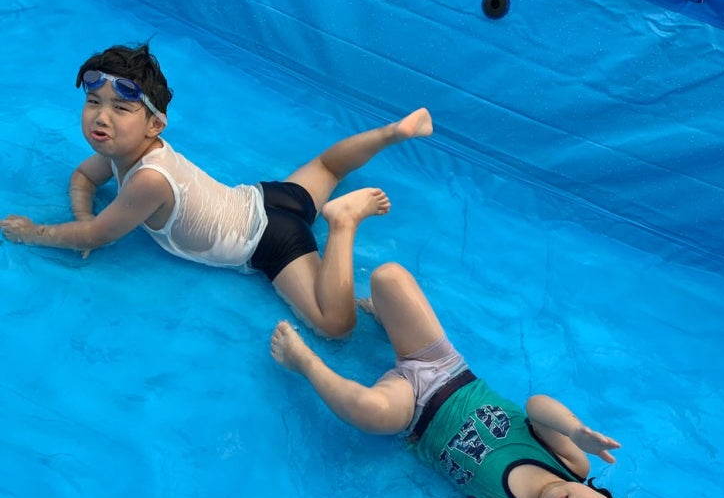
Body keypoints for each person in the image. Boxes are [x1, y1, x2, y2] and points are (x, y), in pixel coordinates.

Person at [0, 43, 432, 338]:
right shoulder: (122, 151)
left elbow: (99, 235)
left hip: (269, 241)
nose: (101, 117)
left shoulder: (148, 180)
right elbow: (83, 178)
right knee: (327, 167)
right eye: (93, 102)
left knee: (334, 325)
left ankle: (343, 224)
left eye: (121, 108)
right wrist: (82, 214)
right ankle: (393, 132)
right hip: (262, 198)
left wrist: (34, 232)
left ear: (154, 125)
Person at [270, 262, 650, 498]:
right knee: (388, 277)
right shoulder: (572, 464)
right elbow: (536, 407)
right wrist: (574, 430)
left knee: (368, 410)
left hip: (413, 414)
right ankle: (388, 322)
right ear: (602, 496)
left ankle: (303, 362)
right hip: (445, 367)